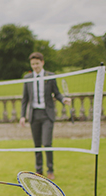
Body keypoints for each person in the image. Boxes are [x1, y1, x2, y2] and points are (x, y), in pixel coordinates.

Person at [19, 52, 71, 180]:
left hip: (47, 115)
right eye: (33, 64)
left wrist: (63, 99)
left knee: (47, 143)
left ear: (42, 63)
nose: (35, 66)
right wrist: (22, 116)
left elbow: (57, 93)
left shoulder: (50, 76)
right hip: (34, 115)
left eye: (37, 63)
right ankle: (39, 171)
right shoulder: (28, 78)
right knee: (37, 145)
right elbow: (24, 99)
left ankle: (50, 170)